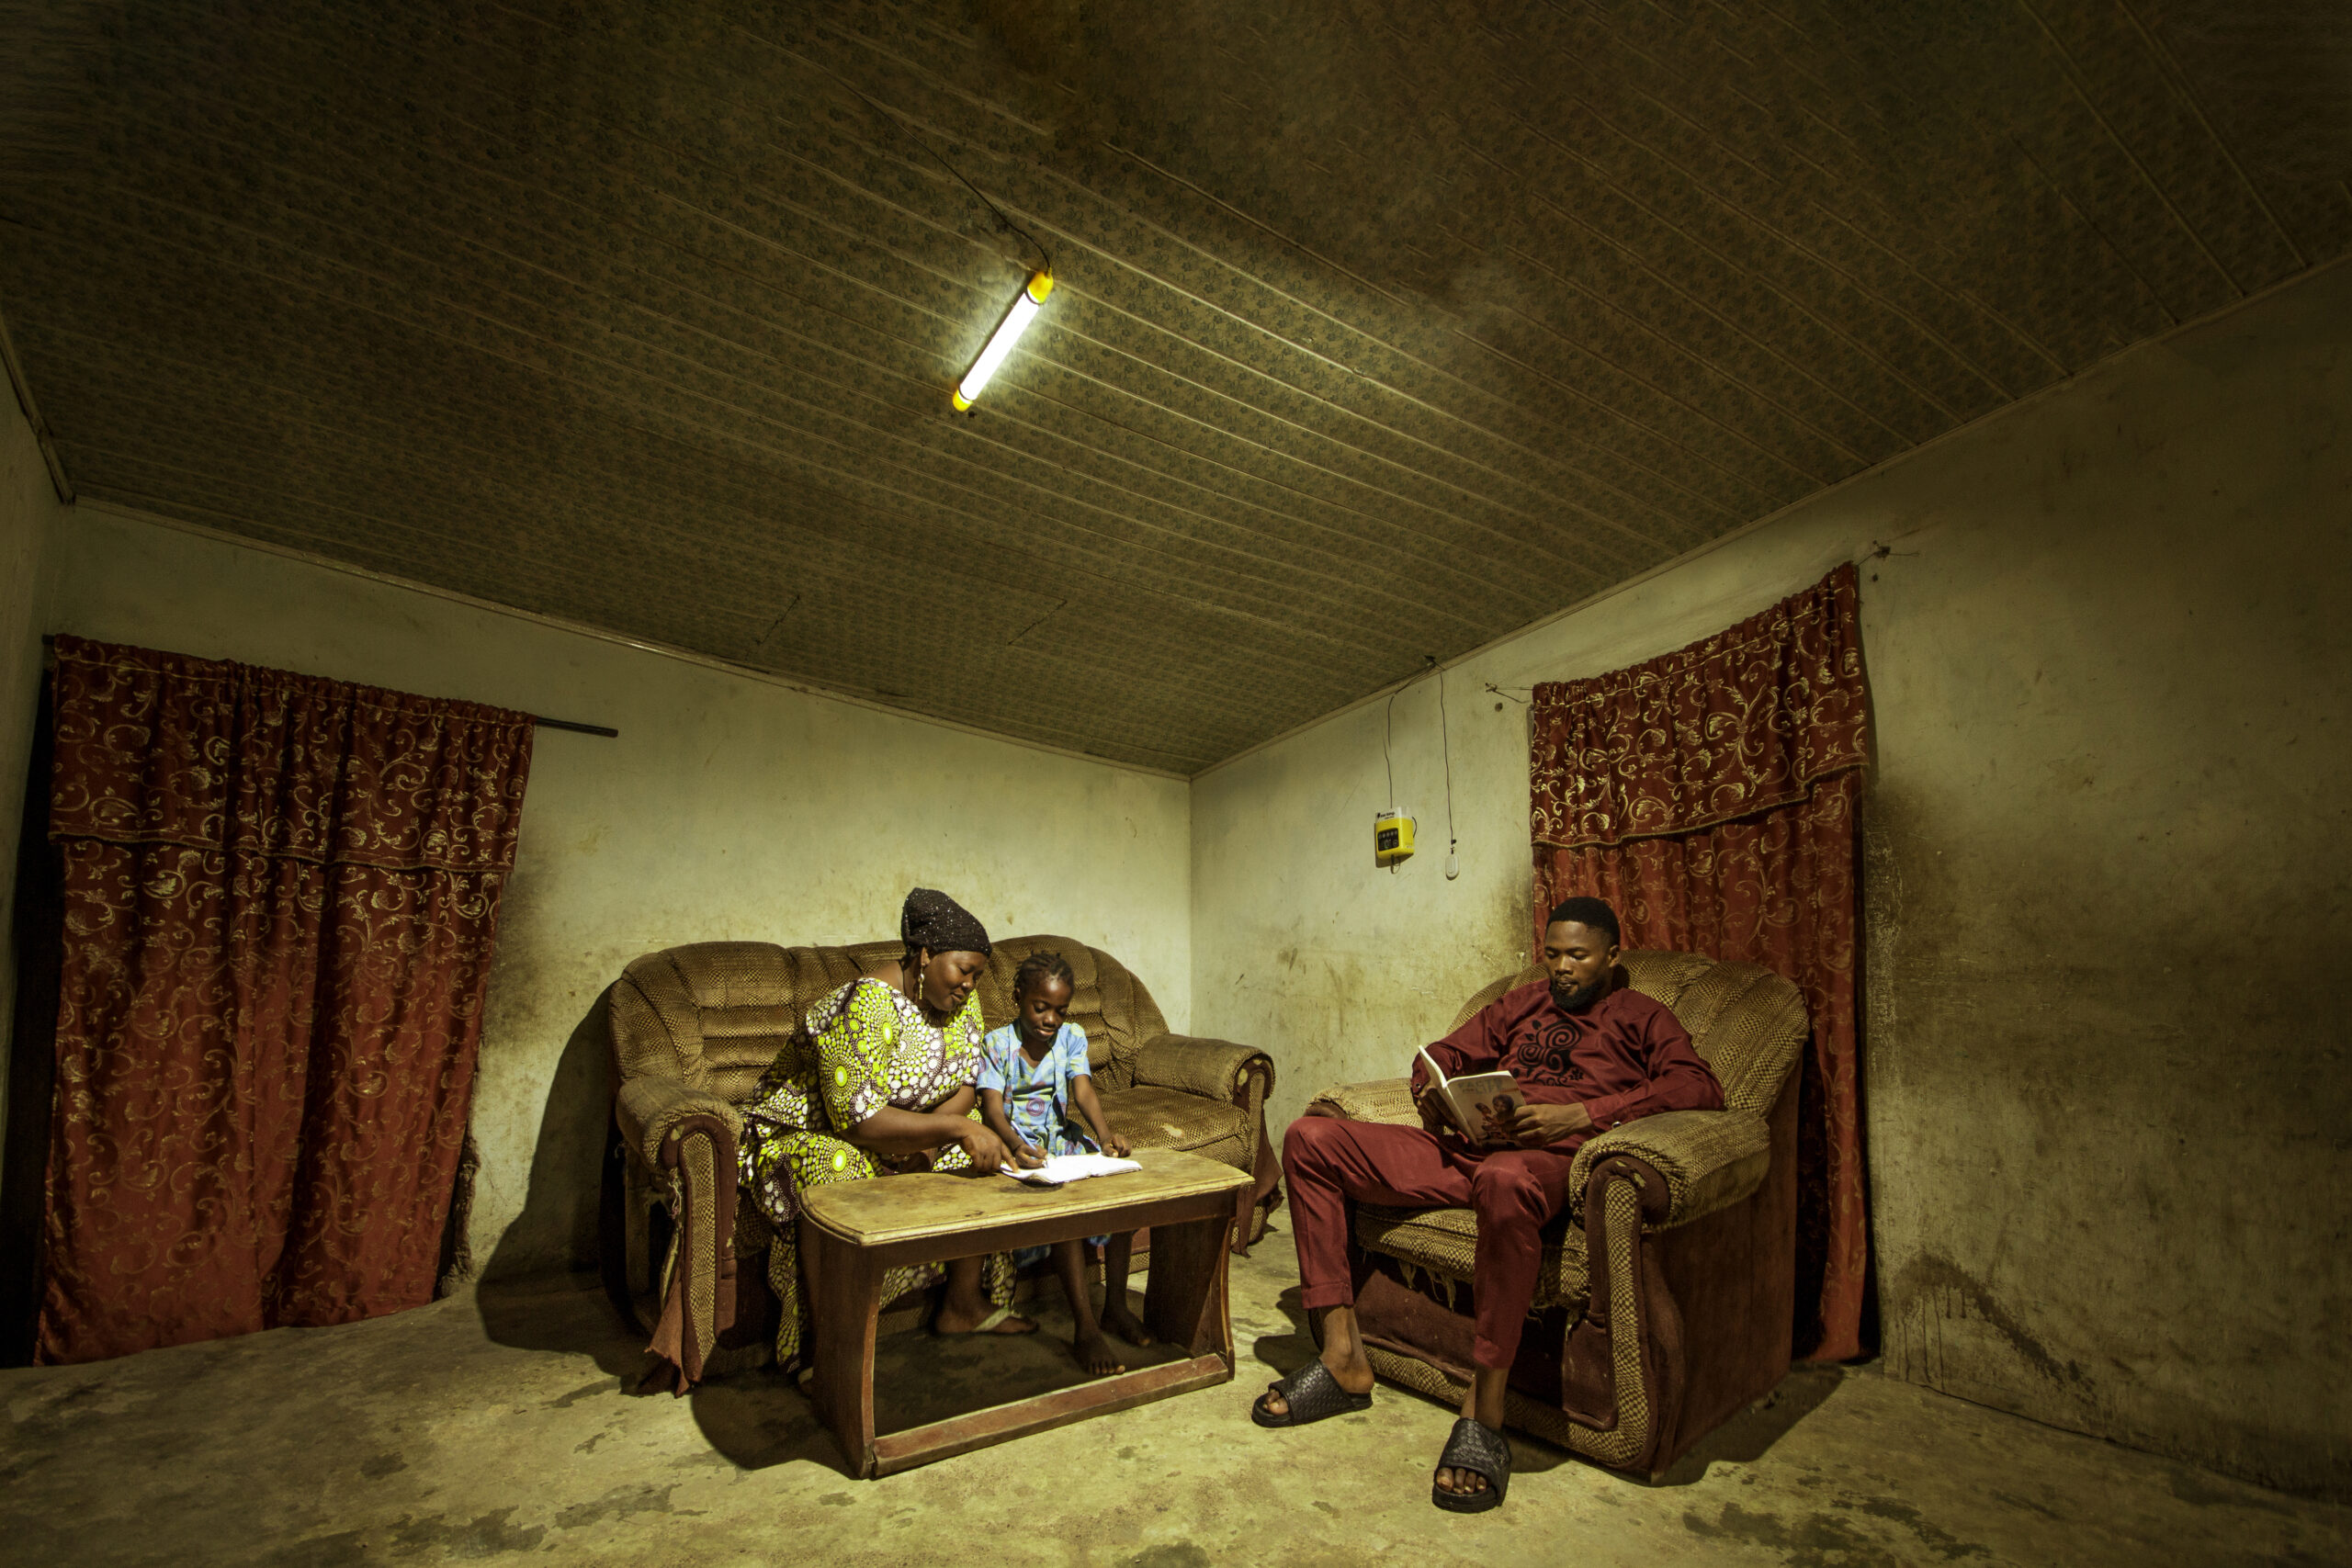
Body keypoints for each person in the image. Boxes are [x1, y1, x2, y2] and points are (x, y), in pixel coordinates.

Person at [1255, 897, 1724, 1513]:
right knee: (1309, 1138)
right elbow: (1443, 1054)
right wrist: (1433, 1092)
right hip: (1465, 1153)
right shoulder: (1521, 1004)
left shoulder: (1642, 1016)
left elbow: (1699, 1085)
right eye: (1553, 953)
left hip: (1543, 1164)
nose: (1561, 967)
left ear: (1612, 956)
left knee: (1504, 1178)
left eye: (1577, 956)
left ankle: (1486, 1405)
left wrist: (1582, 1113)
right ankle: (1343, 1355)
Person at [738, 888, 1034, 1370]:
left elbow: (964, 1086)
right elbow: (858, 1121)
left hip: (898, 1133)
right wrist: (949, 1129)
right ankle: (829, 1344)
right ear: (926, 954)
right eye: (963, 970)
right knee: (839, 1167)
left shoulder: (960, 1003)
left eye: (978, 975)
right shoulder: (864, 1005)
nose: (970, 986)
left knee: (979, 1146)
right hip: (811, 1135)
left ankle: (962, 1304)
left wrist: (937, 1142)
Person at [976, 949, 1152, 1375]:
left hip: (1062, 1143)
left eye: (1060, 1010)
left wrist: (1107, 1136)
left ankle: (1114, 1306)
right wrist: (1015, 1144)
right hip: (1022, 1149)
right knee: (1068, 1211)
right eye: (1041, 1007)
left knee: (1121, 1190)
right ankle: (1086, 1327)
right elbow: (992, 1109)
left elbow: (1084, 1091)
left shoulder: (1071, 1037)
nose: (1050, 1019)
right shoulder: (998, 1043)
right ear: (1019, 997)